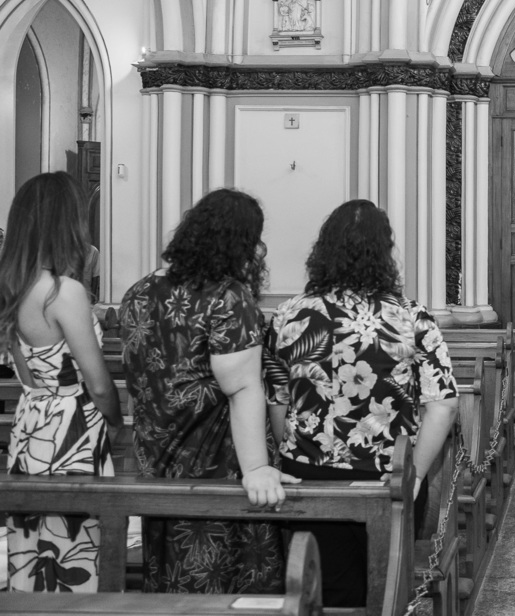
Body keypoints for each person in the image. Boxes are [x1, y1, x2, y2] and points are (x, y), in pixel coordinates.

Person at [265, 200, 459, 607]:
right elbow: (442, 406)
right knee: (389, 590)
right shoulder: (411, 317)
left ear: (324, 250)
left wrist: (305, 453)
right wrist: (416, 475)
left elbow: (278, 402)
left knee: (326, 596)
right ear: (384, 252)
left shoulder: (286, 315)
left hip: (307, 476)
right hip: (387, 477)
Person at [120, 188, 297, 594]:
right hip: (214, 454)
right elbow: (243, 388)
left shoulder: (138, 291)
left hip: (157, 447)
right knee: (226, 569)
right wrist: (256, 469)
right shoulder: (226, 296)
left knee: (170, 565)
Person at [0, 172, 122, 592]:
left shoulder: (11, 287)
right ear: (65, 221)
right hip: (72, 425)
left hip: (30, 419)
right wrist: (117, 423)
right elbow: (100, 385)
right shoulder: (61, 291)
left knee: (32, 542)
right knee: (74, 544)